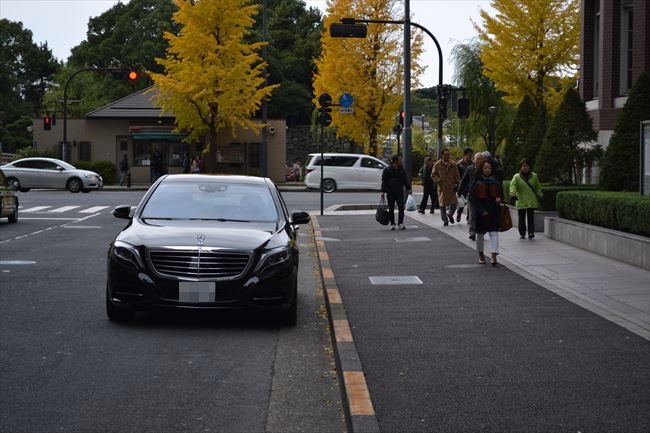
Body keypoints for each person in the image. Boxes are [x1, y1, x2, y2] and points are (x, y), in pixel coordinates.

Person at [469, 159, 503, 266]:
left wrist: (499, 198)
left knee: (494, 233)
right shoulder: (477, 182)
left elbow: (501, 194)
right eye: (485, 168)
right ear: (481, 169)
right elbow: (473, 198)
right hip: (481, 212)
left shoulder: (496, 181)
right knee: (480, 234)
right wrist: (481, 210)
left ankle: (493, 254)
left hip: (493, 210)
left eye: (489, 168)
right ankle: (481, 254)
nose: (487, 170)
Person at [509, 158, 543, 239]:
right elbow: (513, 185)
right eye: (523, 166)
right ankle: (522, 233)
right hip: (521, 200)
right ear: (520, 167)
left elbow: (538, 187)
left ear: (530, 167)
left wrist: (540, 195)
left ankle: (531, 233)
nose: (525, 167)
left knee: (531, 217)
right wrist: (513, 194)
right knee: (521, 218)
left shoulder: (534, 176)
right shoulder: (516, 177)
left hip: (531, 200)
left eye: (527, 166)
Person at [458, 151, 488, 240]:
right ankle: (472, 232)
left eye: (480, 159)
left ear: (483, 160)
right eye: (477, 159)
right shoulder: (470, 169)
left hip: (483, 197)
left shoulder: (486, 169)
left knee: (482, 215)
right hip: (472, 196)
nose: (478, 161)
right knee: (472, 215)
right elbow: (464, 180)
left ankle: (481, 232)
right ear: (474, 160)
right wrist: (459, 192)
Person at [381, 155, 412, 230]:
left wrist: (409, 188)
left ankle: (400, 223)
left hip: (399, 192)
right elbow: (384, 181)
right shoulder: (387, 170)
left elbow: (405, 180)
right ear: (395, 161)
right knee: (391, 208)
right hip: (390, 191)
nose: (402, 161)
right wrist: (383, 191)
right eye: (400, 160)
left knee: (401, 207)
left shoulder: (402, 170)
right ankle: (392, 223)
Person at [431, 148, 460, 226]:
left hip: (451, 186)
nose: (447, 156)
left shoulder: (453, 164)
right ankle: (445, 220)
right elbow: (433, 175)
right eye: (446, 155)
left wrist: (458, 182)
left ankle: (450, 214)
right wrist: (438, 180)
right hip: (442, 187)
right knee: (442, 205)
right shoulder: (437, 164)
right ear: (442, 155)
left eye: (448, 154)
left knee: (454, 203)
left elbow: (457, 174)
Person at [455, 147, 473, 222]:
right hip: (462, 185)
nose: (470, 157)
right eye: (469, 155)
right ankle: (459, 213)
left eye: (471, 155)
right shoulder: (459, 164)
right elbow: (456, 175)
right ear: (464, 155)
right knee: (462, 203)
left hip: (471, 186)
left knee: (470, 202)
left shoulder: (473, 164)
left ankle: (469, 217)